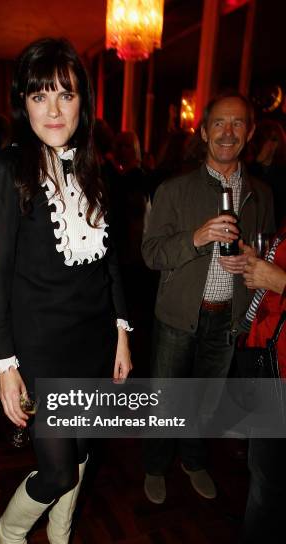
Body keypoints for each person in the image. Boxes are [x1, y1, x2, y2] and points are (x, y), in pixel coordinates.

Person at [0, 38, 132, 544]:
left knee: (85, 446)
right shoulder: (4, 171)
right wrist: (5, 364)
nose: (53, 109)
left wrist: (120, 330)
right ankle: (13, 532)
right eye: (40, 95)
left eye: (65, 95)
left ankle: (60, 536)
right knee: (58, 466)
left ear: (82, 102)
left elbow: (110, 258)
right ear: (23, 102)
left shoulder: (97, 166)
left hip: (92, 336)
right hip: (39, 346)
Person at [141, 93, 275, 505]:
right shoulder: (174, 190)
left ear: (250, 133)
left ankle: (194, 459)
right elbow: (151, 253)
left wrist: (256, 260)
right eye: (219, 123)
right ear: (203, 131)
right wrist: (197, 238)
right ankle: (156, 465)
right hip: (179, 316)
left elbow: (269, 253)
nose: (228, 132)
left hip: (228, 319)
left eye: (237, 124)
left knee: (206, 399)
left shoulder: (261, 194)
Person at [212, 224, 286, 544]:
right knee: (265, 460)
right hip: (270, 351)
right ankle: (260, 525)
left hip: (282, 364)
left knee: (266, 463)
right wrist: (260, 262)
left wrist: (280, 281)